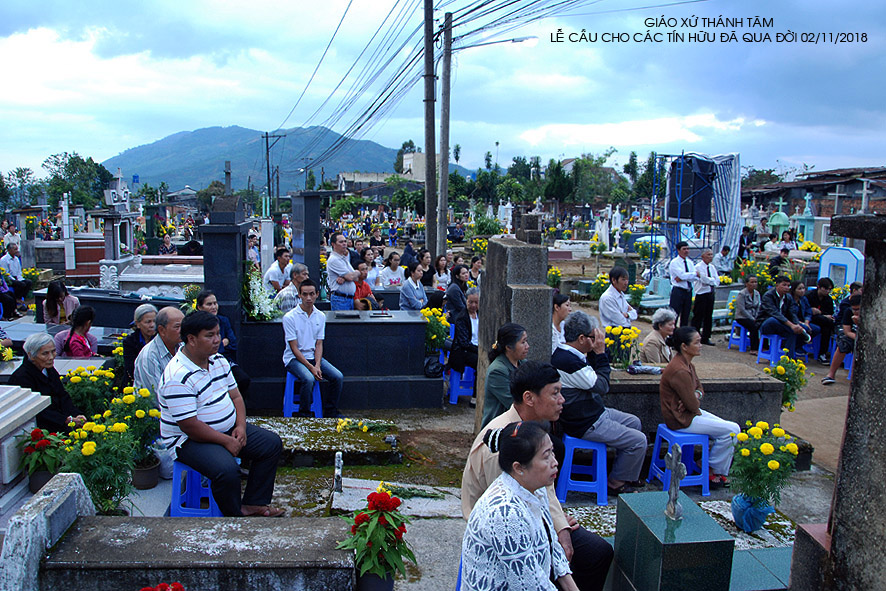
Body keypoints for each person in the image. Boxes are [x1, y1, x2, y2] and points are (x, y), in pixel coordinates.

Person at [462, 361, 613, 591]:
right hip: (506, 530)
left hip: (532, 516)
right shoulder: (501, 449)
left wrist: (560, 525)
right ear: (529, 398)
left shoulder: (533, 430)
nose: (562, 400)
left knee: (598, 552)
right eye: (555, 393)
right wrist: (551, 529)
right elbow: (507, 513)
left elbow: (543, 491)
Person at [158, 311, 284, 517]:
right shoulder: (177, 376)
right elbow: (189, 425)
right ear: (191, 339)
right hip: (188, 440)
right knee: (226, 471)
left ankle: (254, 502)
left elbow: (236, 397)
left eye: (217, 334)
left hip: (226, 429)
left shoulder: (218, 361)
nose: (217, 340)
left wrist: (241, 426)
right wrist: (226, 441)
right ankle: (233, 515)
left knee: (270, 444)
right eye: (209, 335)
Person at [463, 421, 578, 591]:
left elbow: (554, 549)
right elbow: (530, 586)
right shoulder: (505, 512)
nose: (555, 462)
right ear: (519, 468)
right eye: (546, 456)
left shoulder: (535, 489)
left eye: (552, 452)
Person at [552, 311, 645, 496]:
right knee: (639, 441)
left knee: (635, 422)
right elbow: (601, 385)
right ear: (581, 338)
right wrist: (601, 353)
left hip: (594, 412)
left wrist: (595, 353)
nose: (596, 342)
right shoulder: (568, 361)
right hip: (585, 422)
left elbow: (593, 375)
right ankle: (615, 482)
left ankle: (625, 473)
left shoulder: (573, 355)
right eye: (593, 337)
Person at [660, 326, 740, 487]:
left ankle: (712, 467)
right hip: (681, 419)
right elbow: (693, 404)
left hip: (690, 413)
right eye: (696, 342)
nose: (701, 345)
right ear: (684, 346)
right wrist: (693, 398)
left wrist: (694, 394)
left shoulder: (688, 365)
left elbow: (700, 390)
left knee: (731, 429)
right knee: (732, 430)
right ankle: (711, 467)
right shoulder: (680, 370)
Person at [282, 279, 343, 417]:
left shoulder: (320, 316)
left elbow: (319, 344)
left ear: (316, 294)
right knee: (308, 379)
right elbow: (294, 348)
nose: (308, 298)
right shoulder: (290, 317)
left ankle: (330, 411)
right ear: (299, 295)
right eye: (304, 294)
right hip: (294, 359)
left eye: (311, 294)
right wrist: (311, 368)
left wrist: (317, 364)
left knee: (337, 377)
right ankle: (304, 413)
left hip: (313, 356)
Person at [10, 333, 86, 433]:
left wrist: (76, 414)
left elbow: (62, 395)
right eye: (45, 354)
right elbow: (36, 410)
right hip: (45, 428)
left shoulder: (49, 369)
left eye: (53, 351)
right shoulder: (22, 378)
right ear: (31, 355)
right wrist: (65, 420)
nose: (51, 357)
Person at [196, 290, 251, 397]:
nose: (214, 307)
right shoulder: (197, 325)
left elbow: (233, 343)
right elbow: (206, 349)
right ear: (200, 307)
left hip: (226, 360)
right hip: (204, 363)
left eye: (215, 303)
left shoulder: (223, 321)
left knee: (243, 379)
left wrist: (223, 344)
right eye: (209, 304)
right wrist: (223, 343)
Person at [481, 323, 529, 427]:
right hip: (500, 428)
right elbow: (514, 404)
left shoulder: (523, 364)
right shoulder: (497, 371)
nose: (527, 346)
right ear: (508, 347)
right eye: (523, 342)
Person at [134, 307, 185, 396]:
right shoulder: (148, 356)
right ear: (162, 330)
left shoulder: (183, 346)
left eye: (184, 326)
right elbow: (155, 395)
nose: (183, 331)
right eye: (177, 327)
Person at [756, 275, 810, 358]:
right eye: (784, 285)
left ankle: (789, 359)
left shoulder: (788, 297)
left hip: (782, 325)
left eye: (788, 286)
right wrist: (791, 325)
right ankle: (802, 335)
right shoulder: (768, 295)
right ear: (777, 285)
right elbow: (774, 313)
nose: (786, 288)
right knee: (774, 320)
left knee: (796, 330)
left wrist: (796, 325)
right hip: (766, 323)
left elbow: (792, 313)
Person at [821, 294, 861, 385]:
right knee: (842, 345)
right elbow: (847, 331)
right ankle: (831, 374)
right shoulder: (848, 312)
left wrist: (859, 323)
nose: (855, 312)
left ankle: (856, 378)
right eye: (853, 309)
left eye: (858, 309)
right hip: (853, 335)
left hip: (866, 336)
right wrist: (857, 338)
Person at [691, 249, 720, 346]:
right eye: (708, 255)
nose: (710, 256)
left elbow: (717, 281)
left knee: (708, 316)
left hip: (710, 293)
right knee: (698, 316)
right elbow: (703, 280)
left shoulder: (712, 267)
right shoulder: (698, 267)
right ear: (703, 256)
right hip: (701, 294)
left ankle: (706, 337)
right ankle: (695, 337)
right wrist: (711, 280)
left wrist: (710, 280)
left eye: (712, 254)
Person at [122, 304, 158, 382]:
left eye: (154, 321)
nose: (152, 325)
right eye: (148, 322)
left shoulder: (161, 339)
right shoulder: (130, 342)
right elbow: (131, 368)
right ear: (138, 324)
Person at [449, 287, 480, 377]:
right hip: (464, 351)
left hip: (477, 348)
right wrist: (479, 350)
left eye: (476, 302)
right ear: (466, 301)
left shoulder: (481, 315)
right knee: (481, 362)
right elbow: (464, 343)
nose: (473, 305)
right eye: (471, 302)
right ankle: (477, 390)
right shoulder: (462, 318)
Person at [326, 232, 360, 311]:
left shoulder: (343, 258)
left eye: (345, 241)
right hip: (340, 299)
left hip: (349, 298)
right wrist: (349, 276)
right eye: (341, 242)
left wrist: (345, 278)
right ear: (333, 244)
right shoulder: (334, 259)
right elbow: (351, 277)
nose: (344, 244)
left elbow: (357, 277)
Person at [806, 277, 835, 364]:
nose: (827, 291)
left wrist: (822, 314)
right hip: (810, 318)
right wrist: (812, 310)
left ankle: (822, 353)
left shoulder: (828, 300)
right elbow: (805, 309)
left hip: (823, 320)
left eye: (829, 289)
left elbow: (829, 313)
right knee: (827, 323)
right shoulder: (809, 296)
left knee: (827, 328)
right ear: (819, 287)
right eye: (825, 289)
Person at [668, 241, 695, 326]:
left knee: (686, 314)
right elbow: (682, 275)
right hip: (678, 291)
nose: (686, 251)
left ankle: (683, 335)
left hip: (688, 291)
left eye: (687, 249)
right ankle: (671, 336)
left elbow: (696, 277)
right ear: (678, 250)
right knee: (674, 315)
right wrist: (687, 276)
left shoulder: (690, 262)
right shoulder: (674, 262)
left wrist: (685, 277)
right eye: (684, 249)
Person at [0, 243, 32, 311]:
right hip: (9, 279)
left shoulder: (16, 259)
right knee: (20, 284)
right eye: (15, 249)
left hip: (17, 278)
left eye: (17, 249)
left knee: (28, 282)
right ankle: (17, 299)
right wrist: (15, 280)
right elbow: (6, 273)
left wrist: (20, 279)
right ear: (9, 250)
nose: (17, 251)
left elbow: (18, 271)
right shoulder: (4, 260)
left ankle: (20, 298)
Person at [734, 275, 761, 352]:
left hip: (754, 315)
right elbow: (742, 309)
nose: (754, 284)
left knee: (762, 324)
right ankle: (754, 349)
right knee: (753, 326)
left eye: (755, 282)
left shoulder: (757, 293)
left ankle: (763, 346)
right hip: (742, 317)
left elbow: (758, 306)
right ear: (747, 283)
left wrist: (757, 316)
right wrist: (752, 318)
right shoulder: (742, 294)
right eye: (752, 282)